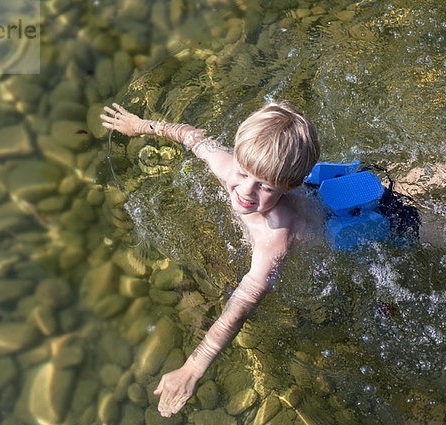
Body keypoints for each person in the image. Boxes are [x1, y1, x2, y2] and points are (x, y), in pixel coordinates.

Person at [101, 101, 321, 417]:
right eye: (244, 173)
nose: (245, 190)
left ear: (289, 187)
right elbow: (191, 137)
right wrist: (141, 126)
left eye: (265, 187)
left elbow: (243, 303)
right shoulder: (228, 167)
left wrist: (194, 366)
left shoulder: (276, 238)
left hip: (334, 230)